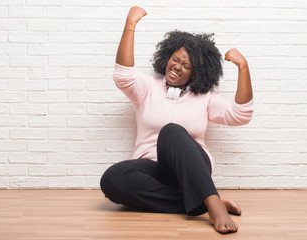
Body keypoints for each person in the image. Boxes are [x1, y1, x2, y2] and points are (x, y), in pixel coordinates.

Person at [100, 6, 254, 234]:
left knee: (171, 131)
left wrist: (243, 67)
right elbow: (123, 76)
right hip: (152, 169)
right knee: (112, 179)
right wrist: (130, 25)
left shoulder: (206, 98)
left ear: (196, 73)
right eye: (175, 59)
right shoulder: (148, 89)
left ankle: (212, 203)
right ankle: (205, 202)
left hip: (192, 168)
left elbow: (241, 115)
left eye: (186, 66)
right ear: (167, 57)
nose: (177, 67)